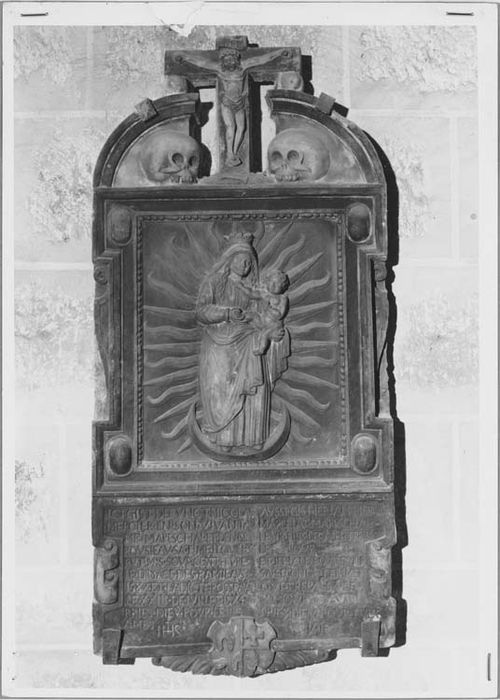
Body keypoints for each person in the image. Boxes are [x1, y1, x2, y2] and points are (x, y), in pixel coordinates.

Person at [195, 233, 270, 451]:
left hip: (246, 341)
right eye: (241, 260)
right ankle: (224, 439)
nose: (246, 265)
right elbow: (201, 311)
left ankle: (251, 439)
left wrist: (259, 321)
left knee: (253, 386)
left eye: (249, 261)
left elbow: (261, 314)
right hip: (219, 346)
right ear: (230, 259)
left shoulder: (252, 290)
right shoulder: (215, 282)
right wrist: (226, 313)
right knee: (221, 390)